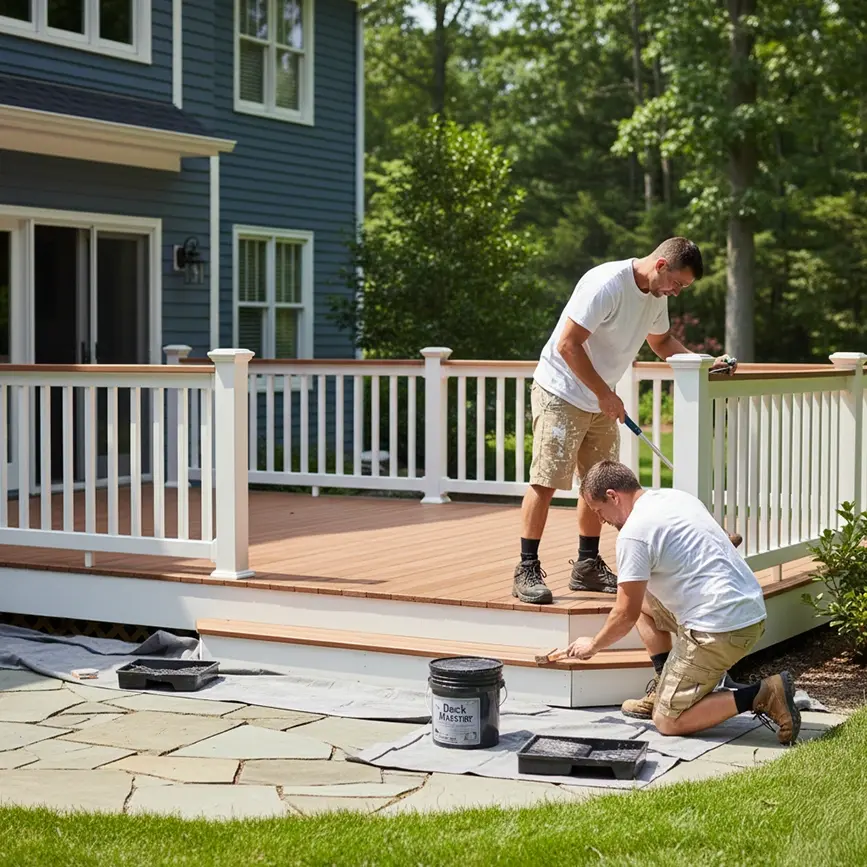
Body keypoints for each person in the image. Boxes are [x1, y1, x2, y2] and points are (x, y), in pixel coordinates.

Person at [513, 237, 737, 605]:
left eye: (682, 287)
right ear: (661, 265)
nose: (676, 292)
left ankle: (587, 566)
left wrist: (703, 363)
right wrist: (604, 393)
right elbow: (568, 345)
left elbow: (662, 343)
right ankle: (526, 568)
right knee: (546, 480)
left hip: (600, 396)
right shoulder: (606, 284)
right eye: (677, 283)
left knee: (598, 481)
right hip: (560, 390)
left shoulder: (657, 296)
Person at [565, 460, 800, 745]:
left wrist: (593, 645)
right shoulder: (676, 497)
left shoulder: (634, 533)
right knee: (639, 595)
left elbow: (624, 614)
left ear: (613, 496)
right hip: (749, 611)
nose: (601, 520)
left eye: (598, 511)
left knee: (668, 720)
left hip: (719, 629)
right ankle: (665, 683)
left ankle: (763, 694)